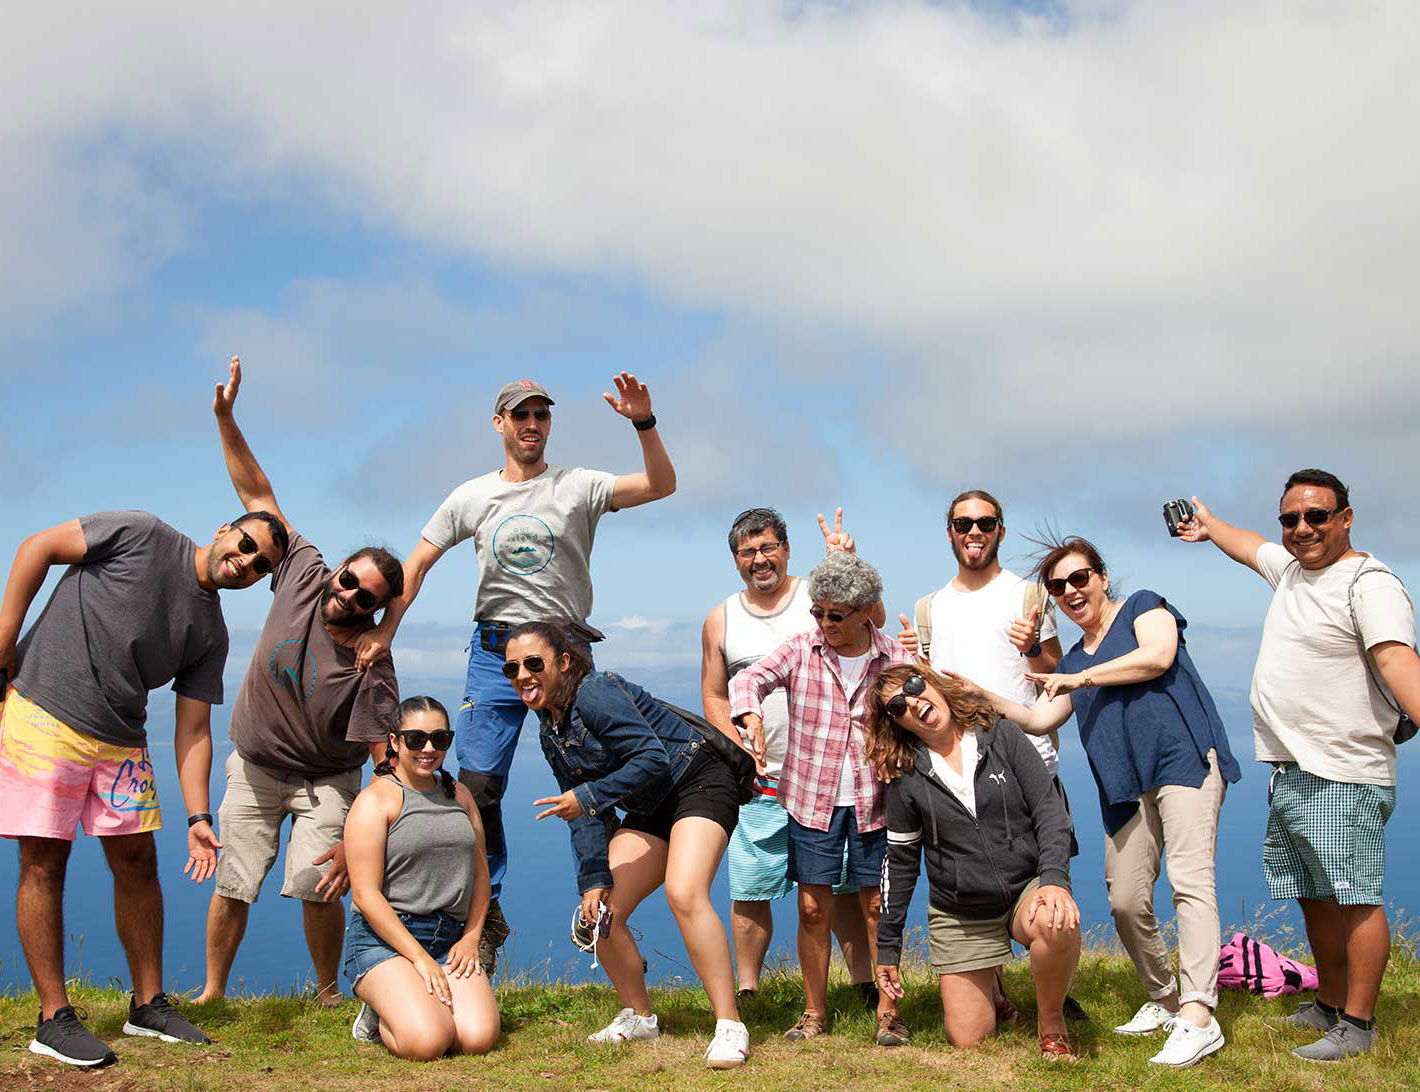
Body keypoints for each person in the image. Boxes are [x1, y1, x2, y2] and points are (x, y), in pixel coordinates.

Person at [353, 373, 676, 973]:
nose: (532, 424)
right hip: (494, 651)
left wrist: (643, 421)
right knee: (477, 787)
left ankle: (600, 896)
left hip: (565, 653)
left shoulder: (578, 486)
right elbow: (417, 563)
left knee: (594, 779)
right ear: (498, 424)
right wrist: (385, 630)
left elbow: (661, 484)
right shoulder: (472, 496)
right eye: (519, 415)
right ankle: (487, 911)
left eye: (541, 415)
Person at [0, 500, 289, 1067]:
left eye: (260, 568)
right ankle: (53, 1018)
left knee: (137, 862)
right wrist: (4, 643)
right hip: (43, 713)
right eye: (247, 545)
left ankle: (147, 1003)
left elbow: (193, 730)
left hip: (122, 739)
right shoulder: (142, 533)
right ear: (224, 530)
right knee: (44, 862)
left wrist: (199, 817)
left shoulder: (211, 632)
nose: (246, 563)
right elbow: (37, 546)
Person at [953, 535, 1241, 1067]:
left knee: (1190, 882)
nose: (1070, 591)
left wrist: (1078, 677)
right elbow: (1039, 718)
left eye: (1079, 578)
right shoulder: (1077, 660)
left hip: (1183, 764)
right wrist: (976, 696)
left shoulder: (1142, 607)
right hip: (1124, 788)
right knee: (1126, 900)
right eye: (1058, 586)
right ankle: (1167, 1000)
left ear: (1102, 577)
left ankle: (1200, 1015)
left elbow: (1158, 656)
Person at [1180, 469, 1419, 1061]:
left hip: (1345, 769)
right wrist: (1209, 527)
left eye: (1317, 516)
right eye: (1291, 519)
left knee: (1355, 896)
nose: (1302, 528)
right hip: (1293, 769)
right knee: (1315, 894)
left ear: (1346, 517)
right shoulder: (1291, 570)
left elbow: (1398, 664)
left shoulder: (1370, 585)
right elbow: (1246, 545)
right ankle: (1329, 1003)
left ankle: (1358, 1024)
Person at [198, 357, 403, 1006]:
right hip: (254, 766)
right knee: (234, 881)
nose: (346, 596)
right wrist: (227, 420)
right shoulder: (304, 571)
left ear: (379, 607)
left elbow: (384, 762)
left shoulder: (374, 664)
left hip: (324, 783)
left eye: (364, 596)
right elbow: (258, 500)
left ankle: (323, 993)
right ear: (337, 570)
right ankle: (212, 993)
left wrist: (363, 835)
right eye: (348, 580)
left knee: (318, 885)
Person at [504, 621, 750, 1069]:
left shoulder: (596, 692)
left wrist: (587, 797)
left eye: (533, 663)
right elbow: (579, 813)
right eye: (512, 668)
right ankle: (640, 1017)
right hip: (649, 803)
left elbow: (652, 758)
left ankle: (729, 1024)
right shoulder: (549, 731)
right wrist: (592, 880)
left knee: (684, 892)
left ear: (563, 663)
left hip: (696, 780)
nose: (522, 674)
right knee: (599, 914)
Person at [895, 487, 1081, 1024]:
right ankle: (992, 982)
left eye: (985, 522)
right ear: (949, 531)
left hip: (1029, 764)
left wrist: (1032, 647)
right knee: (976, 881)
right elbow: (927, 689)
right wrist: (915, 662)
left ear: (1000, 529)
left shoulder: (1029, 597)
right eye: (962, 523)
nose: (973, 532)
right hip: (959, 769)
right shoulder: (930, 608)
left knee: (1045, 883)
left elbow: (1054, 675)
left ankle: (1054, 1002)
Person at [730, 551, 912, 1047]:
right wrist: (749, 714)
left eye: (836, 615)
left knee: (878, 906)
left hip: (879, 798)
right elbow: (749, 678)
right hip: (812, 797)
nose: (825, 623)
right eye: (818, 612)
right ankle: (814, 1013)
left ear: (865, 610)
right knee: (812, 908)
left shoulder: (894, 657)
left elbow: (927, 706)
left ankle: (888, 1012)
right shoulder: (801, 648)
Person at [699, 506, 877, 1001]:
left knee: (839, 885)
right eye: (747, 551)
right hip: (757, 776)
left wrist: (848, 560)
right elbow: (715, 693)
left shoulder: (814, 596)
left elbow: (872, 625)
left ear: (787, 549)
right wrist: (736, 746)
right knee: (751, 883)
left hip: (831, 774)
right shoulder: (722, 618)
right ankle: (750, 988)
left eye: (768, 547)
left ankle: (862, 981)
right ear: (735, 560)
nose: (759, 559)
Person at [867, 664, 1082, 1060]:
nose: (913, 702)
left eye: (914, 686)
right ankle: (993, 986)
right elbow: (899, 864)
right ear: (896, 724)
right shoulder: (905, 775)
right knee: (969, 1038)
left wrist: (1053, 879)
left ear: (932, 682)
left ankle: (1051, 1023)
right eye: (897, 706)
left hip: (1024, 888)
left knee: (1056, 921)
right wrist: (887, 950)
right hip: (961, 910)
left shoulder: (1000, 734)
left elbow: (1049, 812)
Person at [342, 696, 499, 1060]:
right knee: (427, 1042)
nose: (429, 749)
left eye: (440, 739)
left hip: (449, 939)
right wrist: (418, 959)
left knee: (477, 1039)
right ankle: (378, 1013)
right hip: (386, 942)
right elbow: (366, 896)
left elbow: (480, 875)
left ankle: (415, 1001)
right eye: (416, 739)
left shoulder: (459, 795)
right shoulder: (375, 802)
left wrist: (471, 938)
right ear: (394, 742)